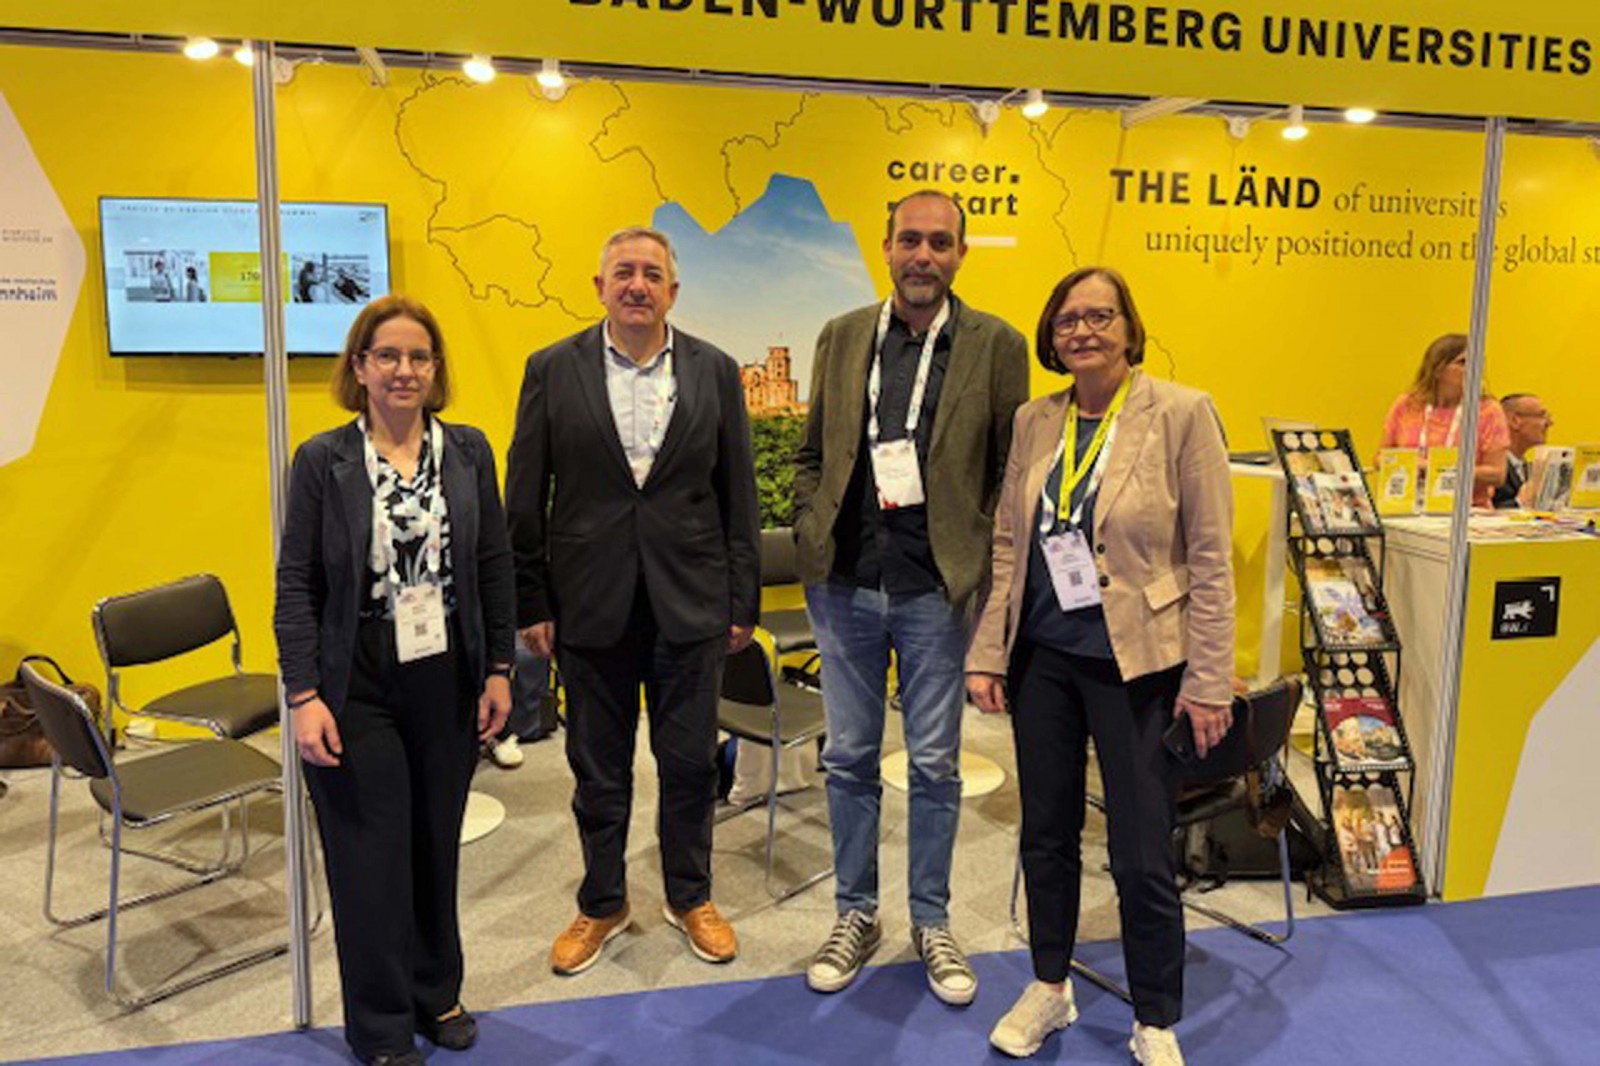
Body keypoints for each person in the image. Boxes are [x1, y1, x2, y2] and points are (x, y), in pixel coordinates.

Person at [966, 267, 1234, 1065]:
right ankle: (1050, 986)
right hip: (1044, 659)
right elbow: (1010, 543)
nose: (1082, 331)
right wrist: (989, 651)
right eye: (1067, 320)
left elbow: (1211, 557)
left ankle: (1155, 1015)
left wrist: (1209, 680)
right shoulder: (1035, 419)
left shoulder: (1182, 412)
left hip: (1141, 664)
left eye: (1100, 316)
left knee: (1141, 852)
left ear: (1129, 328)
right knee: (1046, 835)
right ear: (1051, 335)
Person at [793, 189, 1029, 1006]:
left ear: (960, 253)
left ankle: (931, 919)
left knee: (934, 765)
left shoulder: (997, 345)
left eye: (939, 242)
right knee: (848, 758)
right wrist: (808, 522)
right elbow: (812, 448)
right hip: (845, 583)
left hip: (938, 589)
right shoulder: (842, 335)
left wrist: (982, 561)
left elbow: (1008, 470)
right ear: (886, 245)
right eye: (909, 240)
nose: (923, 255)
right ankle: (855, 913)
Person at [506, 226, 760, 975]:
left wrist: (741, 599)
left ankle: (690, 895)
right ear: (600, 287)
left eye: (652, 274)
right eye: (623, 272)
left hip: (691, 601)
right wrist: (530, 600)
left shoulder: (715, 370)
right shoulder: (551, 369)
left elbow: (737, 494)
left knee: (689, 763)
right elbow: (525, 495)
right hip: (589, 603)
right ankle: (602, 902)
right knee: (598, 769)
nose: (637, 285)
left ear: (672, 291)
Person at [274, 295, 515, 1066]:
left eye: (418, 356)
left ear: (435, 369)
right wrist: (303, 695)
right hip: (358, 676)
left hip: (447, 672)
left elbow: (493, 564)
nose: (403, 370)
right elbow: (296, 582)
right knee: (369, 856)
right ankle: (379, 1025)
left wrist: (500, 668)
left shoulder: (468, 451)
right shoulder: (324, 460)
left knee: (435, 844)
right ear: (360, 367)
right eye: (387, 356)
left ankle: (435, 993)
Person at [1378, 333, 1508, 508]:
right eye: (1462, 362)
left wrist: (1438, 469)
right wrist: (1408, 465)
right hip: (1406, 507)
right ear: (1438, 369)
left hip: (1467, 510)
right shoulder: (1407, 405)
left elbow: (1497, 474)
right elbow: (1381, 458)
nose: (1473, 368)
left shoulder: (1487, 410)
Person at [1494, 392, 1554, 508]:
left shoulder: (1525, 467)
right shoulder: (1491, 468)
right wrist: (1519, 502)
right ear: (1515, 421)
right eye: (1542, 416)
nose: (1550, 423)